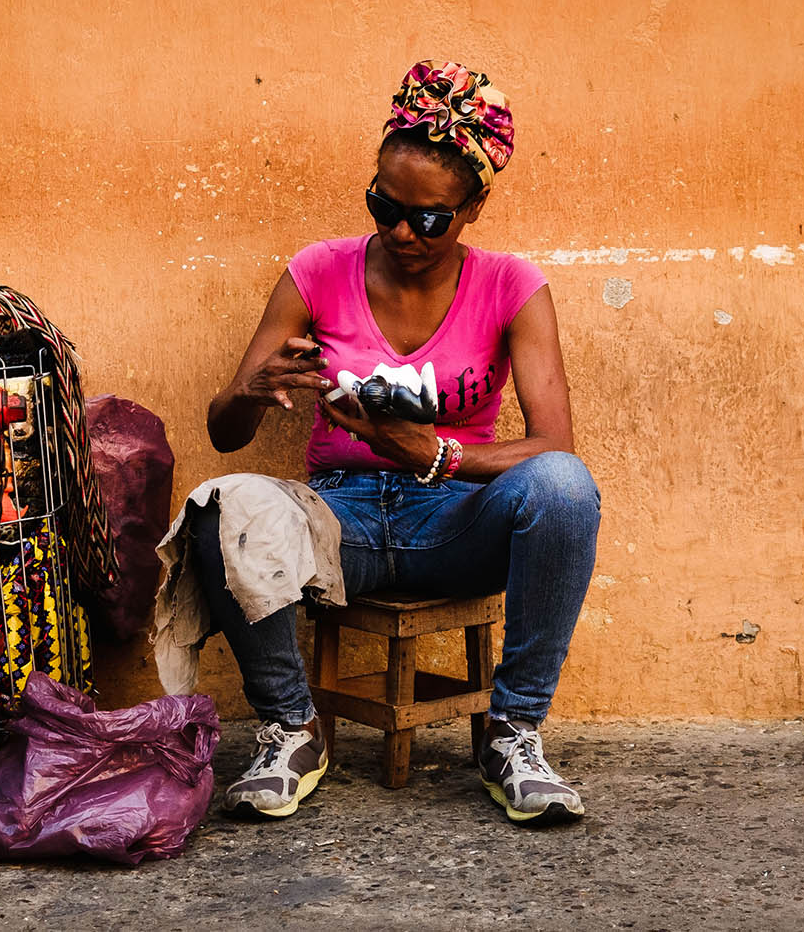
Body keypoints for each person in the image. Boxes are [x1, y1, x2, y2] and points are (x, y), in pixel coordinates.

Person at [198, 60, 601, 826]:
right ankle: (292, 728)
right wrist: (247, 392)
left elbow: (555, 444)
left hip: (457, 519)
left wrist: (436, 454)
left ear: (473, 206)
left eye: (429, 217)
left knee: (563, 488)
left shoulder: (513, 285)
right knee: (223, 507)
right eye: (385, 206)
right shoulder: (318, 270)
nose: (401, 231)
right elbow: (225, 434)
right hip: (339, 520)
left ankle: (513, 734)